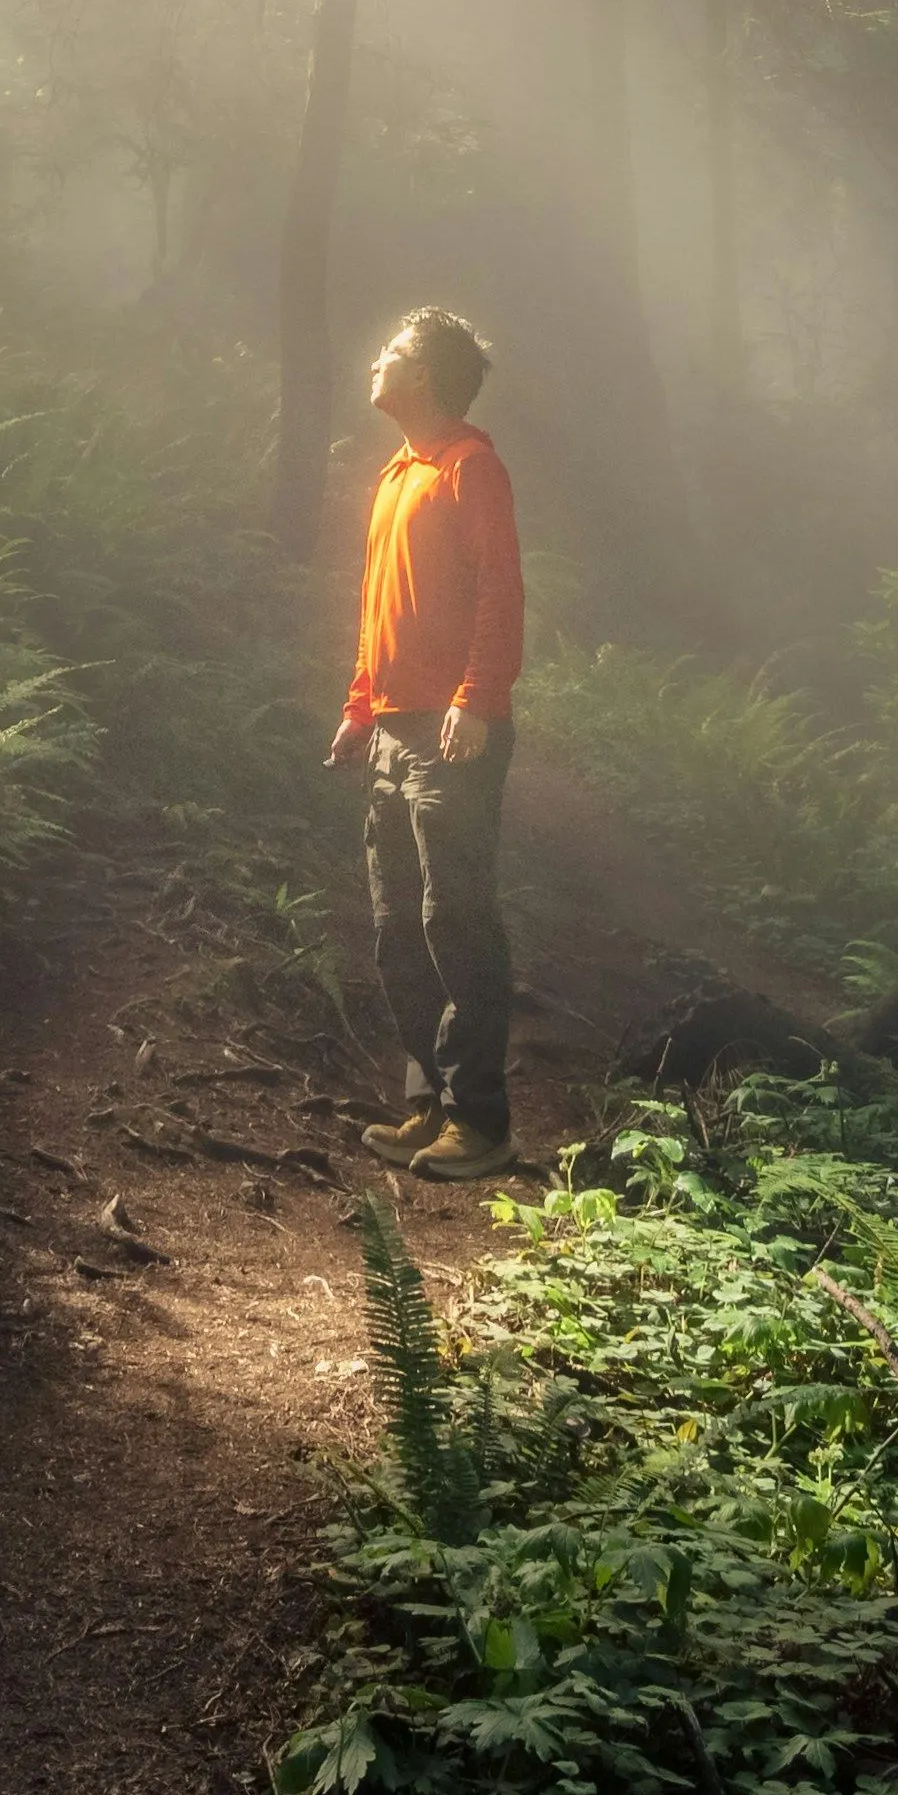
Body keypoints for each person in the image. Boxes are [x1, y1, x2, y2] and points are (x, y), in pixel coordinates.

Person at [329, 303, 525, 1176]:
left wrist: (478, 698)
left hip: (452, 732)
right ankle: (429, 1103)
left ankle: (481, 1121)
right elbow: (378, 607)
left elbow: (499, 590)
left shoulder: (469, 467)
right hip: (393, 732)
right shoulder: (396, 473)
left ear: (427, 376)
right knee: (395, 926)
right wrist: (359, 704)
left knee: (455, 920)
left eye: (393, 351)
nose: (377, 359)